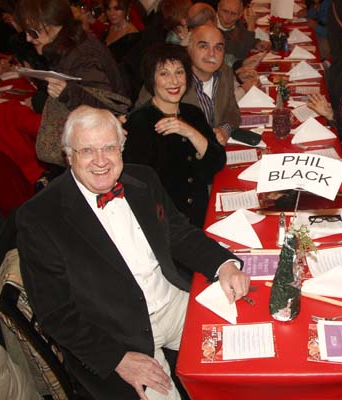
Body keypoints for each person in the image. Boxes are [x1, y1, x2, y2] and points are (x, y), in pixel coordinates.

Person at [16, 105, 250, 399]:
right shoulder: (40, 218)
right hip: (116, 333)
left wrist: (223, 264)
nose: (100, 161)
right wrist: (117, 359)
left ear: (122, 148)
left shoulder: (143, 180)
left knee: (243, 353)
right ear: (68, 155)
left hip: (171, 301)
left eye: (109, 148)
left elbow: (178, 233)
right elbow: (55, 312)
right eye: (87, 150)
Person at [124, 44, 225, 228]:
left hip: (201, 218)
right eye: (164, 74)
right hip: (166, 227)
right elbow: (139, 190)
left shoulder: (192, 114)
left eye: (179, 72)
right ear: (151, 79)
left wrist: (188, 130)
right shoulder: (139, 123)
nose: (174, 81)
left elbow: (217, 162)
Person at [15, 0, 127, 112]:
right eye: (26, 32)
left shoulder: (82, 54)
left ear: (55, 25)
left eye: (33, 32)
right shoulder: (66, 46)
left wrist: (67, 92)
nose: (28, 38)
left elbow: (108, 105)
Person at [216, 0, 268, 65]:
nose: (228, 17)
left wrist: (256, 43)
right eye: (225, 11)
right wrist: (251, 26)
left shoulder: (238, 23)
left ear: (240, 14)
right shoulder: (213, 29)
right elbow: (240, 55)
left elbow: (241, 40)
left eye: (233, 14)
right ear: (218, 9)